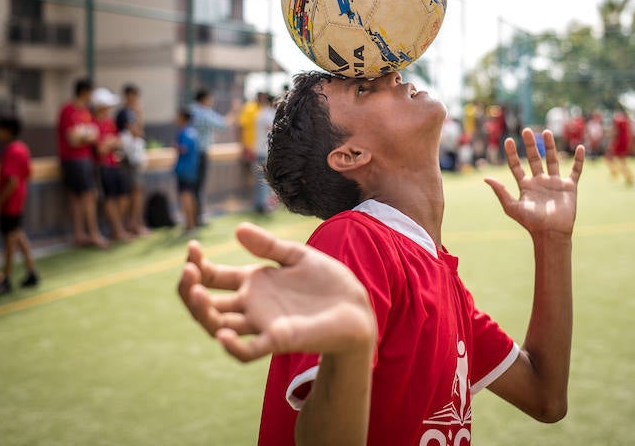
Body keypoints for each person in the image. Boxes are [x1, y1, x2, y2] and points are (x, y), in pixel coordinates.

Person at [178, 71, 584, 445]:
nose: (392, 74)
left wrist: (553, 240)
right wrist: (351, 344)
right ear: (351, 155)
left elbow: (544, 395)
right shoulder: (354, 241)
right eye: (362, 89)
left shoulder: (439, 274)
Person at [0, 116, 39, 295]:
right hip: (17, 201)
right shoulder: (22, 148)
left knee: (9, 241)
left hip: (10, 204)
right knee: (18, 236)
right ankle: (31, 272)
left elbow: (12, 181)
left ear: (7, 131)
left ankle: (5, 280)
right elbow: (27, 174)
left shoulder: (12, 151)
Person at [57, 78, 107, 248]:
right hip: (73, 160)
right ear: (84, 92)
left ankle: (84, 234)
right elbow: (73, 139)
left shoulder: (86, 112)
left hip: (85, 159)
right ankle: (89, 234)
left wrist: (83, 137)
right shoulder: (68, 110)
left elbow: (94, 135)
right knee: (83, 197)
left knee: (84, 196)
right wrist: (85, 137)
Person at [92, 87, 133, 242]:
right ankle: (117, 230)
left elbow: (118, 143)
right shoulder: (93, 123)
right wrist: (110, 143)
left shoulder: (109, 122)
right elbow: (101, 149)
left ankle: (117, 228)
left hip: (115, 165)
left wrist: (110, 143)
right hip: (102, 167)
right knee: (109, 199)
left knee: (124, 197)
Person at [190, 89, 234, 226]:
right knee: (198, 187)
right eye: (210, 99)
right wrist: (235, 110)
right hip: (200, 153)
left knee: (190, 188)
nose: (211, 102)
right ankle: (198, 218)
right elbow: (223, 124)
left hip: (188, 153)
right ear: (204, 99)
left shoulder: (191, 110)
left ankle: (191, 217)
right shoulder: (204, 112)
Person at [115, 84, 149, 236]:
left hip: (133, 157)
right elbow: (136, 132)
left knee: (136, 192)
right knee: (132, 192)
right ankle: (128, 225)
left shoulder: (131, 112)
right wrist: (139, 116)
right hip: (128, 158)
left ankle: (133, 223)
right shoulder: (124, 113)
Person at [174, 109, 201, 232]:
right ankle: (194, 222)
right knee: (192, 195)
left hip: (184, 170)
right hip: (193, 169)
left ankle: (189, 224)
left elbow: (183, 149)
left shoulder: (183, 132)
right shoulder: (194, 132)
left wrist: (175, 146)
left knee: (186, 196)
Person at [252, 94, 276, 214]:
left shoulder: (260, 113)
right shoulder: (270, 114)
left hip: (258, 149)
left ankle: (259, 204)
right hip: (266, 151)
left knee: (260, 180)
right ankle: (265, 206)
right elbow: (274, 130)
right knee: (266, 181)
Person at [606, 104, 634, 186]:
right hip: (625, 140)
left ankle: (617, 173)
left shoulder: (617, 118)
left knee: (610, 157)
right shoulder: (626, 119)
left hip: (619, 141)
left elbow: (616, 131)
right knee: (621, 159)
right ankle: (627, 175)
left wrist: (612, 142)